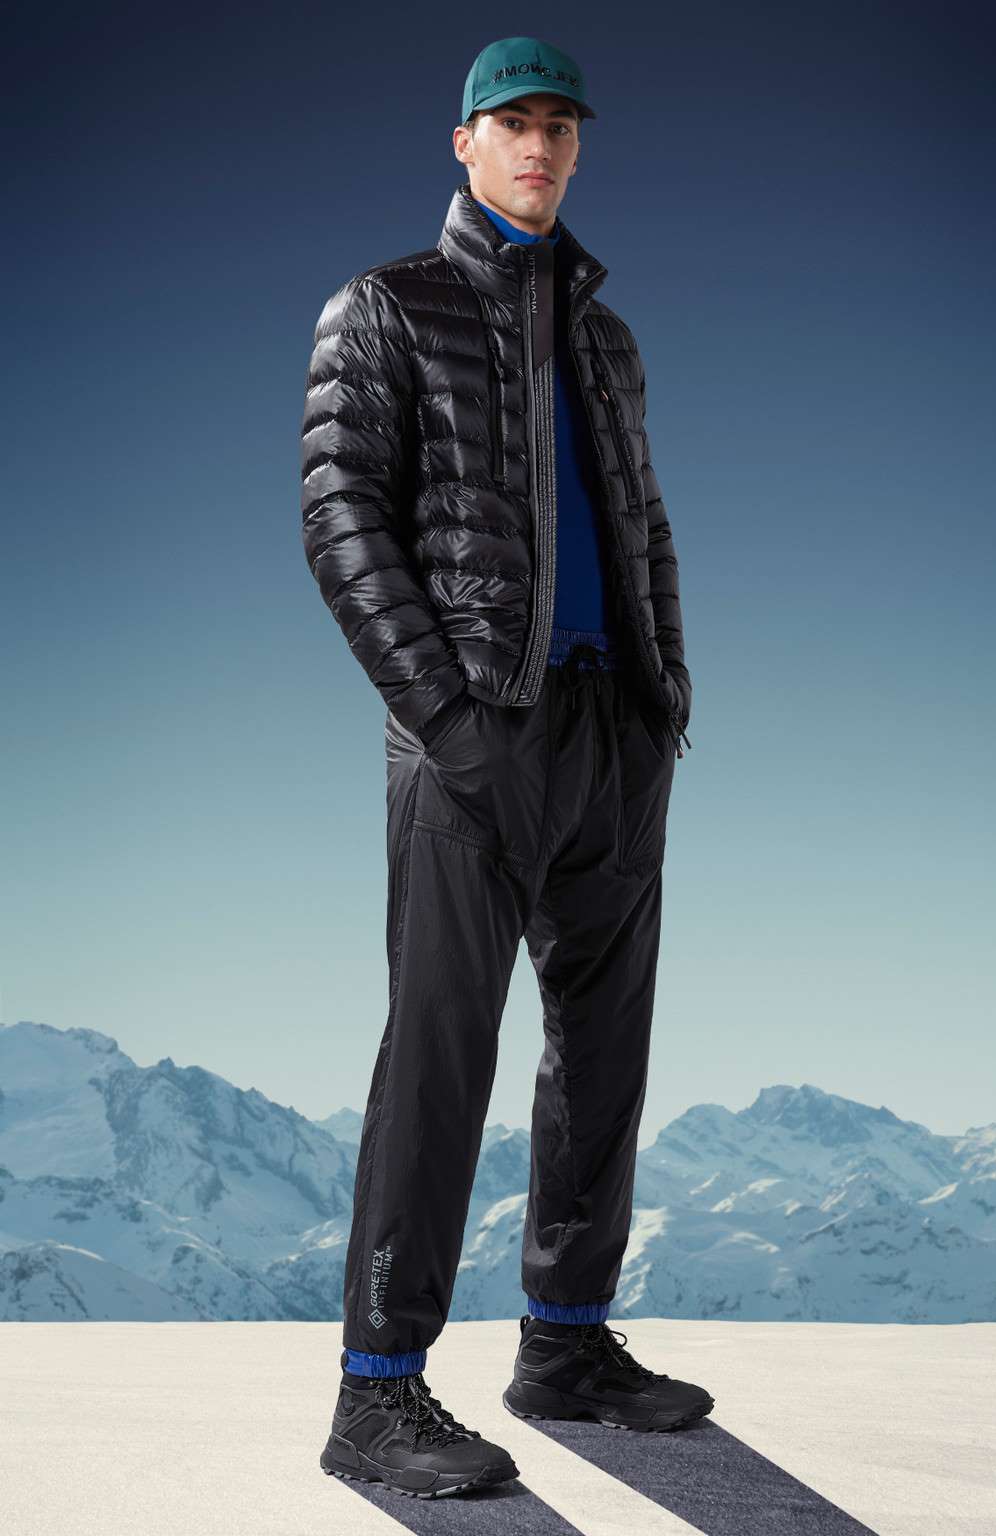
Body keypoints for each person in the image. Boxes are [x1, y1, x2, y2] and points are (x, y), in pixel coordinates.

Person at [301, 35, 713, 1500]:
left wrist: (664, 698)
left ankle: (566, 1347)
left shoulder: (606, 337)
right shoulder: (386, 307)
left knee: (601, 1052)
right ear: (464, 142)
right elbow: (341, 517)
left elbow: (644, 523)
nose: (539, 145)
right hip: (473, 730)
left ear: (578, 146)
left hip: (613, 731)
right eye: (512, 121)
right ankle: (376, 1396)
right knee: (441, 1053)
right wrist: (446, 714)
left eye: (560, 125)